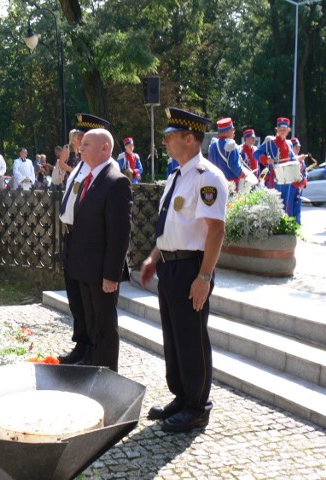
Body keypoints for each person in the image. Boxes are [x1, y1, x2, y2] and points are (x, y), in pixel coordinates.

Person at [139, 107, 228, 433]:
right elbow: (170, 227)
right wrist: (153, 258)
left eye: (170, 136)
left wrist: (204, 277)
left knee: (191, 338)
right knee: (174, 338)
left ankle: (197, 406)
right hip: (170, 267)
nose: (165, 141)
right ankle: (181, 395)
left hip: (193, 267)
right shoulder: (178, 176)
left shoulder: (207, 177)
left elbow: (215, 230)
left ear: (189, 138)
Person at [67, 128, 132, 372]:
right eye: (81, 144)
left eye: (86, 144)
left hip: (101, 270)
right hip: (85, 267)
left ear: (105, 148)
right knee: (92, 323)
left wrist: (111, 274)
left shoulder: (116, 181)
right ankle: (93, 368)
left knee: (104, 325)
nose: (80, 148)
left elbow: (119, 234)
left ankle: (106, 377)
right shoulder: (89, 178)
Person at [57, 113, 110, 365]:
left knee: (90, 302)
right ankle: (82, 344)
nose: (78, 141)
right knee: (76, 298)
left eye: (83, 137)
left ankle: (92, 350)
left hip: (86, 240)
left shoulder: (101, 170)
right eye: (78, 137)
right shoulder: (79, 166)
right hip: (70, 236)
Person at [253, 117, 300, 215]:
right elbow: (256, 153)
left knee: (285, 203)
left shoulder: (289, 144)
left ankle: (283, 224)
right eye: (281, 129)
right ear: (277, 129)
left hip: (287, 178)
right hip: (275, 178)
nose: (282, 132)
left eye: (285, 130)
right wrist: (266, 159)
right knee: (275, 203)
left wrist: (298, 160)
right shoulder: (270, 142)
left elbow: (291, 159)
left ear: (288, 130)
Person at [208, 117, 244, 190]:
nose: (234, 132)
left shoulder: (213, 145)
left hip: (215, 182)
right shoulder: (231, 144)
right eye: (232, 130)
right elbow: (234, 165)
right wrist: (243, 174)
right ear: (227, 132)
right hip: (230, 184)